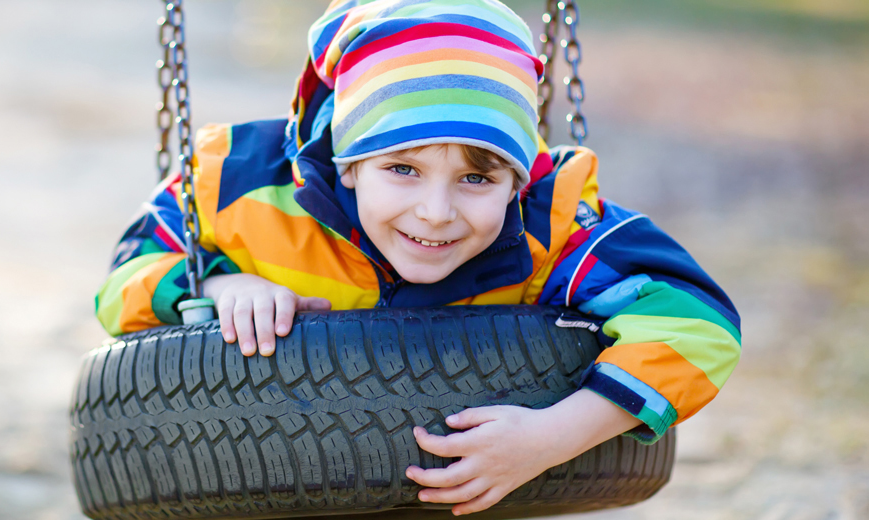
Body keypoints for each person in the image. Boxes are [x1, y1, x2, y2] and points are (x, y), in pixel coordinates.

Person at [95, 0, 741, 514]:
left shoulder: (553, 234)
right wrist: (217, 288)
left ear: (520, 181)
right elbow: (123, 279)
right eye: (402, 168)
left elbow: (697, 322)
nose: (436, 211)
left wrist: (557, 435)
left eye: (477, 178)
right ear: (347, 165)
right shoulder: (239, 194)